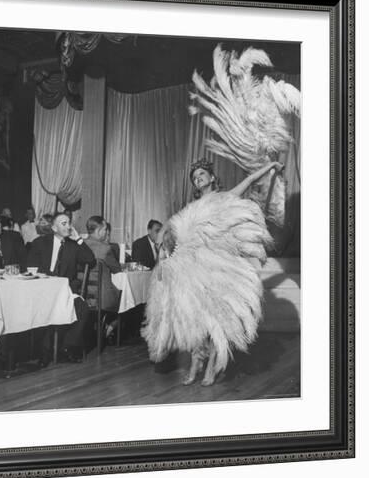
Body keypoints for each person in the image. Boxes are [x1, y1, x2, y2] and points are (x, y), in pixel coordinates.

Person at [142, 158, 281, 386]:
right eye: (195, 178)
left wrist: (272, 166)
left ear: (212, 177)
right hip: (194, 266)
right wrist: (161, 238)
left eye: (201, 175)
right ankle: (196, 364)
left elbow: (250, 179)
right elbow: (172, 223)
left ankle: (210, 367)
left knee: (216, 317)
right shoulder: (192, 208)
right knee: (196, 317)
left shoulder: (225, 198)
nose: (198, 180)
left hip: (217, 266)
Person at [27, 213, 96, 364]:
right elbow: (30, 267)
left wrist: (79, 239)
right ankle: (44, 351)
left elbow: (90, 260)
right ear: (54, 227)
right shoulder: (40, 243)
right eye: (63, 224)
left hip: (65, 291)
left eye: (69, 223)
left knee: (82, 308)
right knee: (43, 307)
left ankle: (66, 348)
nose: (68, 226)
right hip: (43, 289)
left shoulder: (73, 246)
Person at [84, 216, 122, 341]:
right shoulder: (105, 249)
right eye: (105, 230)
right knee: (129, 299)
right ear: (99, 230)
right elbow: (117, 270)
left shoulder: (80, 246)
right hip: (102, 298)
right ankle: (110, 327)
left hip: (83, 296)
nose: (106, 233)